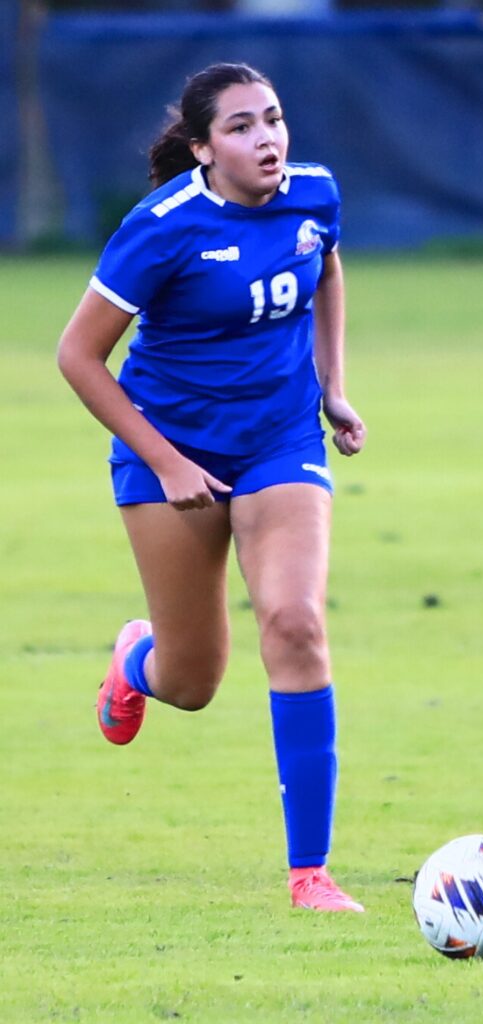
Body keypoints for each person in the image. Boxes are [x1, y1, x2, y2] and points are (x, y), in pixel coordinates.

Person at [57, 62, 367, 913]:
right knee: (193, 682)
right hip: (171, 451)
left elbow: (327, 272)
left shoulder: (315, 194)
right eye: (240, 127)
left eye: (273, 119)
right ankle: (136, 661)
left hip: (281, 440)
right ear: (202, 148)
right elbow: (78, 358)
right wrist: (164, 462)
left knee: (296, 624)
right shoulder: (161, 228)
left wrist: (331, 384)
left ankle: (311, 873)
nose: (266, 139)